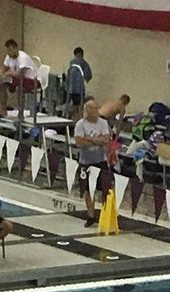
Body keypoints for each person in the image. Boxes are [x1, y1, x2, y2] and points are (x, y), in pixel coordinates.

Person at [74, 99, 113, 227]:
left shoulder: (103, 123)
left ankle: (105, 214)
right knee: (87, 191)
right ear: (87, 110)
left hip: (100, 160)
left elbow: (106, 140)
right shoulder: (80, 124)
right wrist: (97, 140)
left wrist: (89, 139)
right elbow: (80, 143)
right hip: (85, 162)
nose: (95, 111)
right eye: (91, 109)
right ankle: (91, 216)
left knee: (105, 189)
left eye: (96, 108)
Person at [0, 39, 36, 117]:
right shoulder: (9, 57)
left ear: (16, 49)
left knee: (19, 88)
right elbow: (4, 68)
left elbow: (19, 74)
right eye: (7, 51)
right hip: (17, 79)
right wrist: (0, 73)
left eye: (10, 50)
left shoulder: (23, 57)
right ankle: (3, 110)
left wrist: (8, 73)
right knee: (1, 85)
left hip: (30, 80)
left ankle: (21, 112)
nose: (8, 53)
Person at [65, 46, 92, 120]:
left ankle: (72, 118)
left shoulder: (71, 63)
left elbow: (68, 75)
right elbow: (88, 76)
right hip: (79, 88)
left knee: (73, 104)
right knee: (80, 105)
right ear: (82, 54)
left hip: (71, 88)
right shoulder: (84, 63)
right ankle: (79, 118)